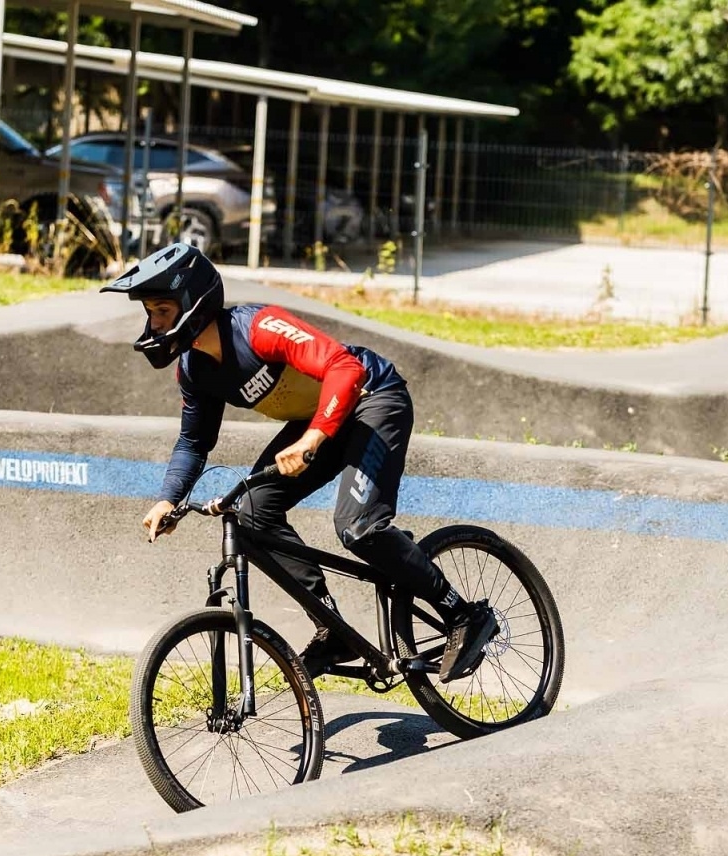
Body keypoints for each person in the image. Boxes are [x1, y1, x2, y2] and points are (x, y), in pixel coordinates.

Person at [102, 242, 497, 683]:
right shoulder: (195, 370)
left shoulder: (259, 328)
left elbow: (343, 368)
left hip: (372, 399)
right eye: (150, 312)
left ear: (192, 302)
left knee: (359, 527)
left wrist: (313, 437)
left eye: (160, 310)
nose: (153, 323)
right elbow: (194, 441)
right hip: (319, 423)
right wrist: (167, 500)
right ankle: (334, 630)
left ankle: (464, 615)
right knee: (252, 511)